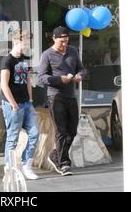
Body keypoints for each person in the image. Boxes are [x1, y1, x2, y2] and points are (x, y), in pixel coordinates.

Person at [38, 26, 85, 176]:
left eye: (66, 41)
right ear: (54, 39)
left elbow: (82, 69)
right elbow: (42, 77)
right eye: (61, 42)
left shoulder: (73, 51)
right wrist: (60, 79)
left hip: (71, 95)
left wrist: (79, 76)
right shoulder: (47, 55)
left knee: (72, 130)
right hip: (55, 96)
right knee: (61, 131)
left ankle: (55, 155)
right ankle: (64, 163)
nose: (64, 44)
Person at [0, 29, 39, 180]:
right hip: (13, 105)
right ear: (17, 42)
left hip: (26, 103)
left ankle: (26, 165)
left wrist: (30, 100)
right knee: (13, 137)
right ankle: (8, 170)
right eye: (25, 43)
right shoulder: (7, 60)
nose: (27, 46)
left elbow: (28, 80)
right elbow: (4, 85)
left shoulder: (25, 58)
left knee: (35, 133)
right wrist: (14, 105)